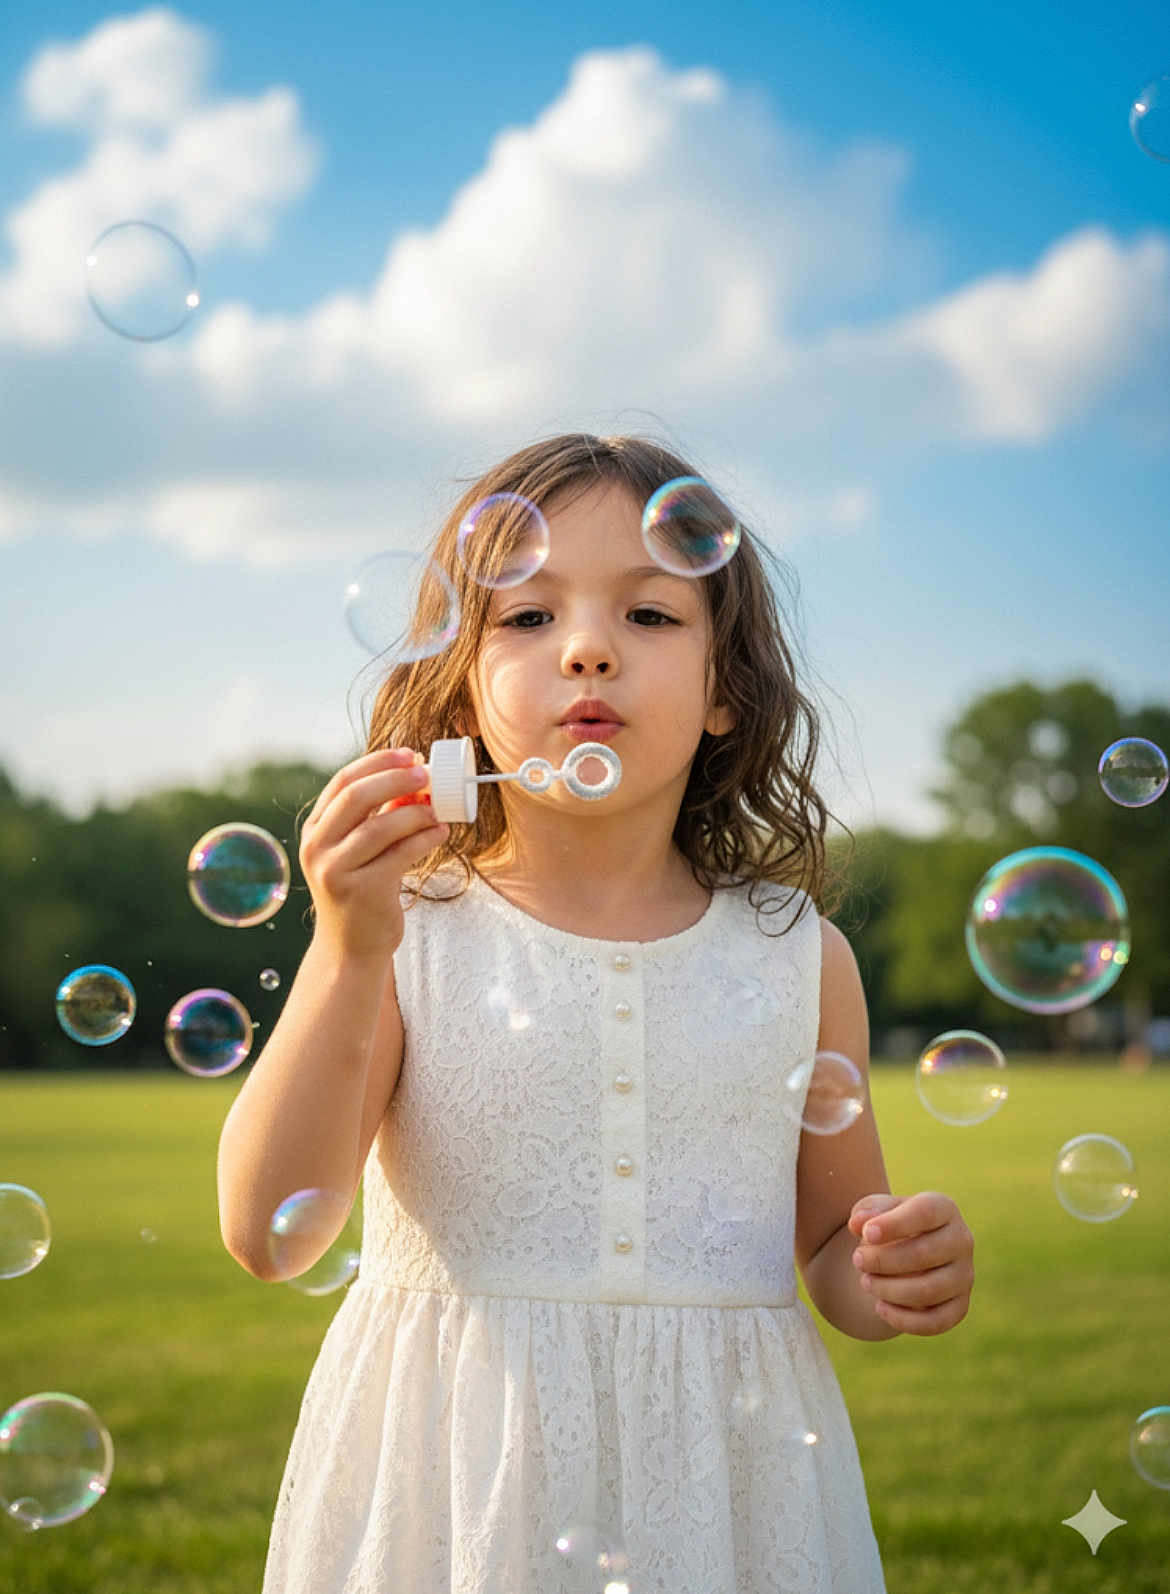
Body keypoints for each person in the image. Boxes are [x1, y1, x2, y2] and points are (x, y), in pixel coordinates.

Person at [217, 432, 975, 1594]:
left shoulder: (799, 957)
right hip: (456, 1477)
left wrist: (887, 1275)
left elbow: (832, 1245)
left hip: (725, 1486)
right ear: (461, 687)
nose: (586, 649)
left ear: (727, 692)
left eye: (650, 614)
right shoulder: (406, 933)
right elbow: (272, 1230)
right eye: (527, 616)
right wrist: (346, 944)